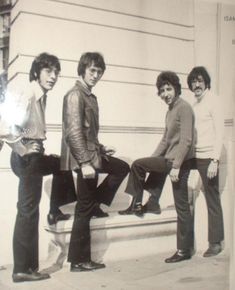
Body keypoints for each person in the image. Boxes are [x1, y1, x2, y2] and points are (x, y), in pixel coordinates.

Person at [4, 53, 77, 282]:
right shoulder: (28, 92)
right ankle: (22, 269)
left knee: (61, 164)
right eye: (48, 71)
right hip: (27, 160)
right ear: (37, 72)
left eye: (56, 73)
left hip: (33, 158)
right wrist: (24, 149)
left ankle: (55, 209)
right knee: (28, 212)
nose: (53, 77)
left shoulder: (40, 95)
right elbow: (5, 126)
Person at [60, 52, 130, 272]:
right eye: (92, 70)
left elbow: (88, 132)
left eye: (99, 72)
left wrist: (101, 148)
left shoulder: (89, 95)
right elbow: (73, 133)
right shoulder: (75, 95)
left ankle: (96, 205)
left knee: (121, 167)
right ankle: (80, 261)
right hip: (85, 160)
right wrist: (84, 163)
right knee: (83, 209)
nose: (96, 75)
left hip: (92, 153)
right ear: (82, 69)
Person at [118, 71, 195, 263]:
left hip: (180, 163)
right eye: (162, 90)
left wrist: (177, 166)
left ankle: (184, 251)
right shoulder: (170, 111)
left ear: (176, 88)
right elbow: (164, 140)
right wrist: (151, 161)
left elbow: (186, 140)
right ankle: (147, 203)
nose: (165, 93)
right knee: (139, 164)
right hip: (169, 161)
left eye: (169, 89)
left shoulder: (184, 108)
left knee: (181, 206)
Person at [187, 66, 224, 257]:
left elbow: (220, 133)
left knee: (212, 199)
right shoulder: (194, 105)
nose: (196, 85)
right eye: (193, 81)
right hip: (194, 156)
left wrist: (215, 160)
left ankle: (215, 242)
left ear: (206, 82)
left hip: (209, 157)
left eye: (199, 80)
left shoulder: (213, 101)